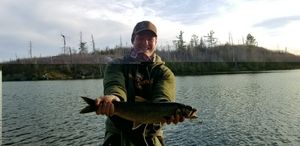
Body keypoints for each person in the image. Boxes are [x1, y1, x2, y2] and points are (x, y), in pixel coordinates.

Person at [96, 21, 184, 146]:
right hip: (118, 135)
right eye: (141, 38)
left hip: (151, 137)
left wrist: (168, 112)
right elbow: (115, 85)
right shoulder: (116, 65)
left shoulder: (164, 73)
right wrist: (114, 98)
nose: (145, 42)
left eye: (150, 39)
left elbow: (163, 98)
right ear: (133, 40)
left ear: (156, 42)